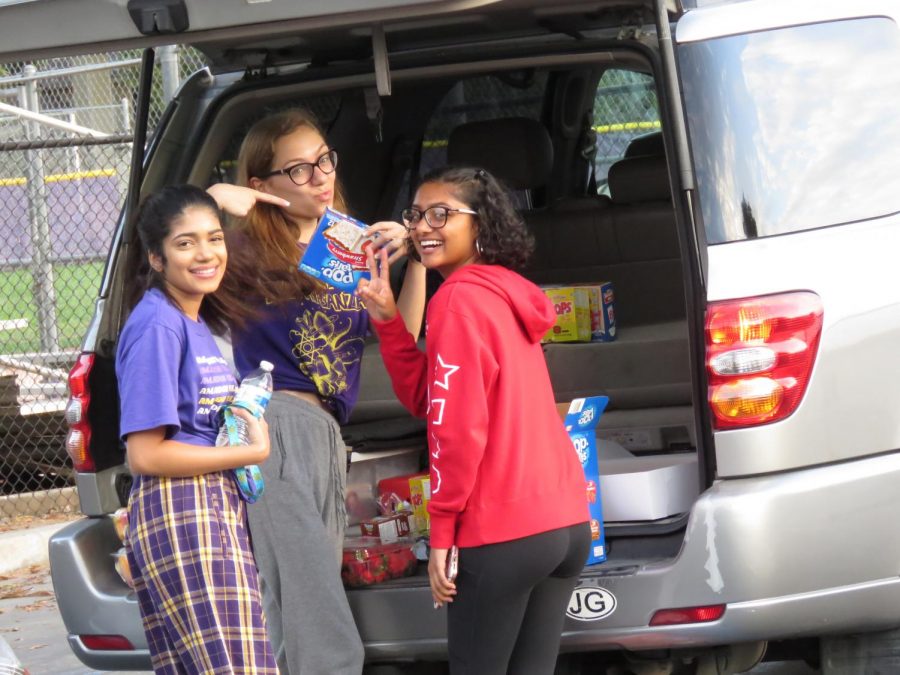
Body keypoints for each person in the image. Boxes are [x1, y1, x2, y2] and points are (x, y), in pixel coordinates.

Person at [208, 108, 426, 675]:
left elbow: (398, 333)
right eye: (299, 170)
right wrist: (210, 206)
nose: (321, 176)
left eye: (324, 160)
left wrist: (416, 260)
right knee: (317, 617)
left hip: (326, 433)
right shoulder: (240, 249)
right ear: (261, 186)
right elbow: (164, 261)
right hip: (271, 423)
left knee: (295, 605)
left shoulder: (349, 244)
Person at [358, 166, 591, 675]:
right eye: (416, 215)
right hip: (564, 522)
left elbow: (456, 429)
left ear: (479, 224)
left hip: (502, 529)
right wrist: (389, 321)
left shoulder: (458, 301)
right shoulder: (505, 291)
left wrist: (441, 530)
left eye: (442, 214)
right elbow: (431, 397)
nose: (423, 227)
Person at [116, 184, 277, 674]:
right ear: (157, 259)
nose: (206, 254)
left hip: (210, 507)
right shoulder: (158, 327)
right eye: (185, 243)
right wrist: (248, 453)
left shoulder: (190, 320)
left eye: (214, 238)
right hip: (181, 510)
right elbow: (145, 455)